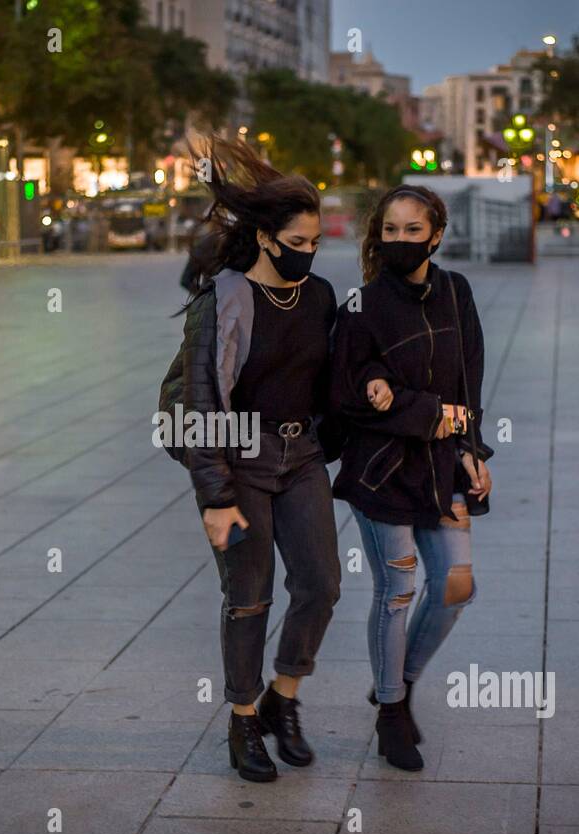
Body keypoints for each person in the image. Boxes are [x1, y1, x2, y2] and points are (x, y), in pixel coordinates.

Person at [158, 135, 341, 783]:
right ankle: (241, 719)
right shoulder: (223, 300)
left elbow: (332, 383)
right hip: (240, 459)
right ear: (265, 238)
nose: (309, 254)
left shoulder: (318, 297)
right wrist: (215, 497)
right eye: (298, 243)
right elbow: (201, 401)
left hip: (303, 456)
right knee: (249, 596)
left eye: (316, 243)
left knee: (321, 584)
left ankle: (281, 701)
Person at [330, 185, 492, 771]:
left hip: (441, 465)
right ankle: (393, 712)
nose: (400, 240)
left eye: (412, 230)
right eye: (390, 231)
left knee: (454, 584)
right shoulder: (362, 304)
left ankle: (393, 680)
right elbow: (345, 396)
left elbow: (469, 382)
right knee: (397, 590)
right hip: (380, 472)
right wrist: (421, 411)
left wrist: (471, 448)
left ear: (437, 234)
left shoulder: (455, 292)